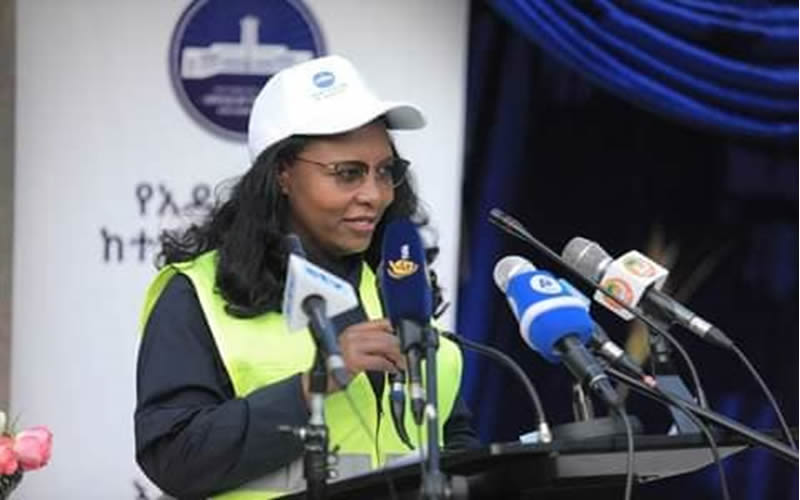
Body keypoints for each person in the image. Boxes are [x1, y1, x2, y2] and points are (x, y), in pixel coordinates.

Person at [135, 54, 479, 499]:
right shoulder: (197, 294)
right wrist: (313, 385)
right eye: (347, 173)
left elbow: (452, 439)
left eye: (385, 172)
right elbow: (174, 457)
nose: (373, 195)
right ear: (281, 174)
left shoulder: (396, 285)